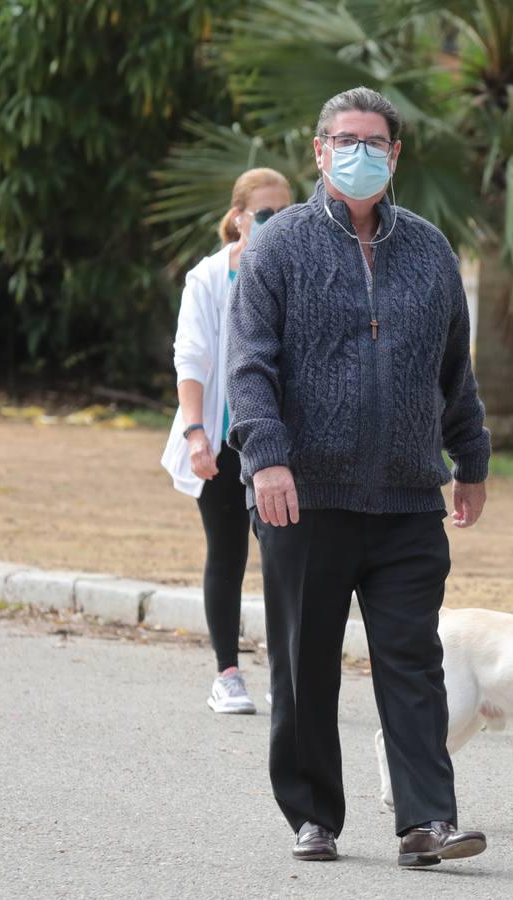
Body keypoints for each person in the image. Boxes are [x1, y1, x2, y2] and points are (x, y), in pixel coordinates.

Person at [226, 86, 491, 866]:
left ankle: (426, 823)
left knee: (414, 663)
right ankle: (313, 816)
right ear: (318, 150)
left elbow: (454, 370)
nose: (360, 152)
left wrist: (469, 457)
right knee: (306, 663)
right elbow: (250, 367)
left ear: (396, 153)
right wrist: (266, 456)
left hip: (409, 496)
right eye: (345, 139)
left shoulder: (431, 251)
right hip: (305, 497)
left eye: (375, 141)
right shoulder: (281, 245)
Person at [161, 167, 293, 715]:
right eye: (265, 214)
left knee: (285, 557)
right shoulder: (209, 278)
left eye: (285, 214)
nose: (275, 224)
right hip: (220, 439)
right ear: (239, 217)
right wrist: (196, 434)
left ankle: (286, 677)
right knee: (228, 551)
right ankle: (228, 674)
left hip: (277, 443)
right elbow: (191, 358)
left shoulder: (296, 274)